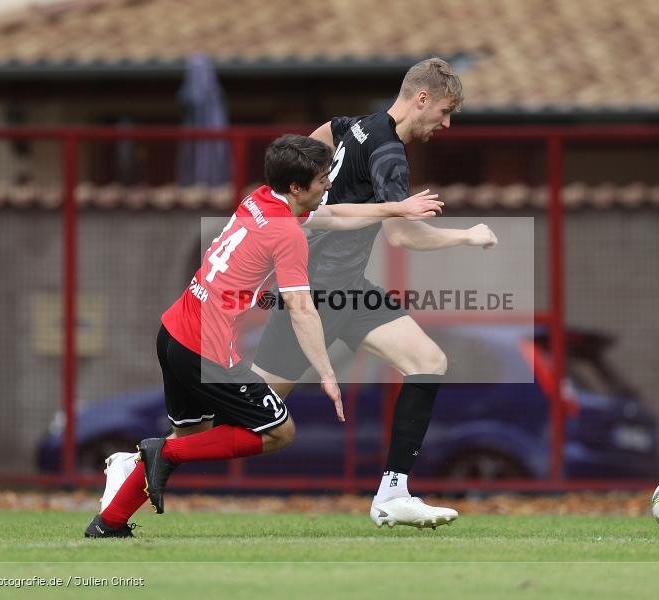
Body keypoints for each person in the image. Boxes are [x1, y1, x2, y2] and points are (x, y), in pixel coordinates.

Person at [85, 134, 443, 538]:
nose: (329, 184)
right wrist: (327, 373)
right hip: (205, 349)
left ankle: (109, 522)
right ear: (296, 187)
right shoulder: (287, 234)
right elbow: (302, 309)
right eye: (322, 179)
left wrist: (396, 208)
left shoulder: (259, 199)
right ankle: (156, 453)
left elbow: (336, 216)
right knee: (278, 432)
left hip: (172, 334)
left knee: (193, 436)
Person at [251, 58, 497, 529]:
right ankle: (145, 460)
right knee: (250, 416)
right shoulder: (389, 154)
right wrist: (468, 236)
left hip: (349, 291)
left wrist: (301, 190)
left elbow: (324, 133)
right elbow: (403, 236)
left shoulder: (360, 126)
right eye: (445, 111)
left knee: (428, 360)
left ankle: (393, 493)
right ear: (421, 99)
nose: (446, 124)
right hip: (315, 294)